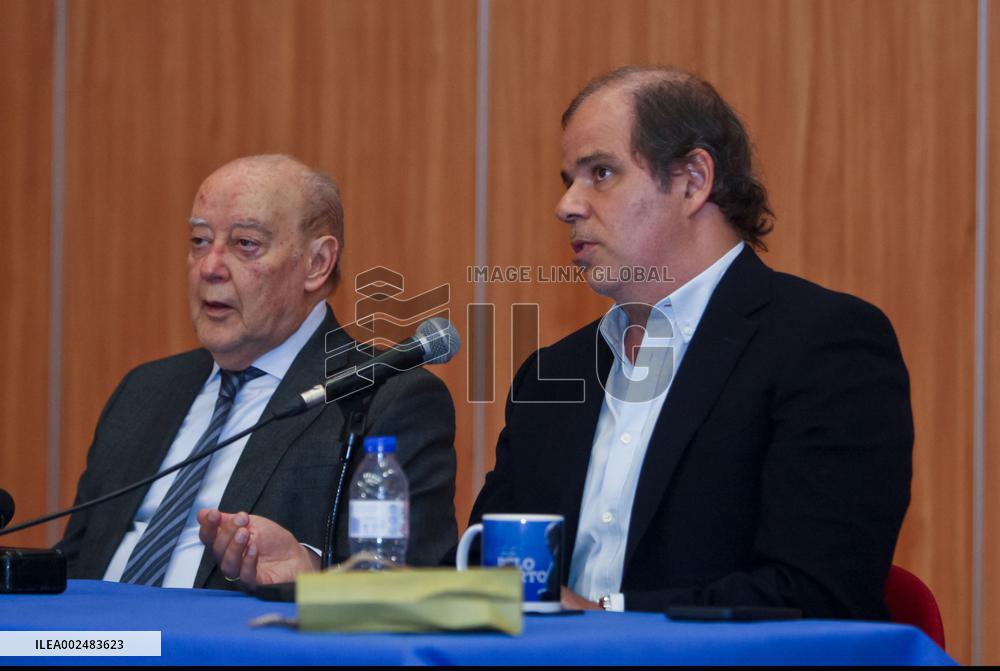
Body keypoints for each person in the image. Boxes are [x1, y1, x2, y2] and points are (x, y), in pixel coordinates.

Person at [468, 66, 912, 618]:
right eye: (568, 180)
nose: (567, 206)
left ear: (693, 180)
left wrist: (603, 617)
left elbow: (817, 593)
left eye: (600, 173)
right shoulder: (554, 373)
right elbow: (487, 572)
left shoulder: (823, 346)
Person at [56, 154, 458, 590]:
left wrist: (310, 573)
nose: (210, 267)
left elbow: (412, 587)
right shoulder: (144, 390)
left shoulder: (384, 397)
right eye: (199, 240)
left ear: (317, 263)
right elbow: (73, 562)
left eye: (245, 244)